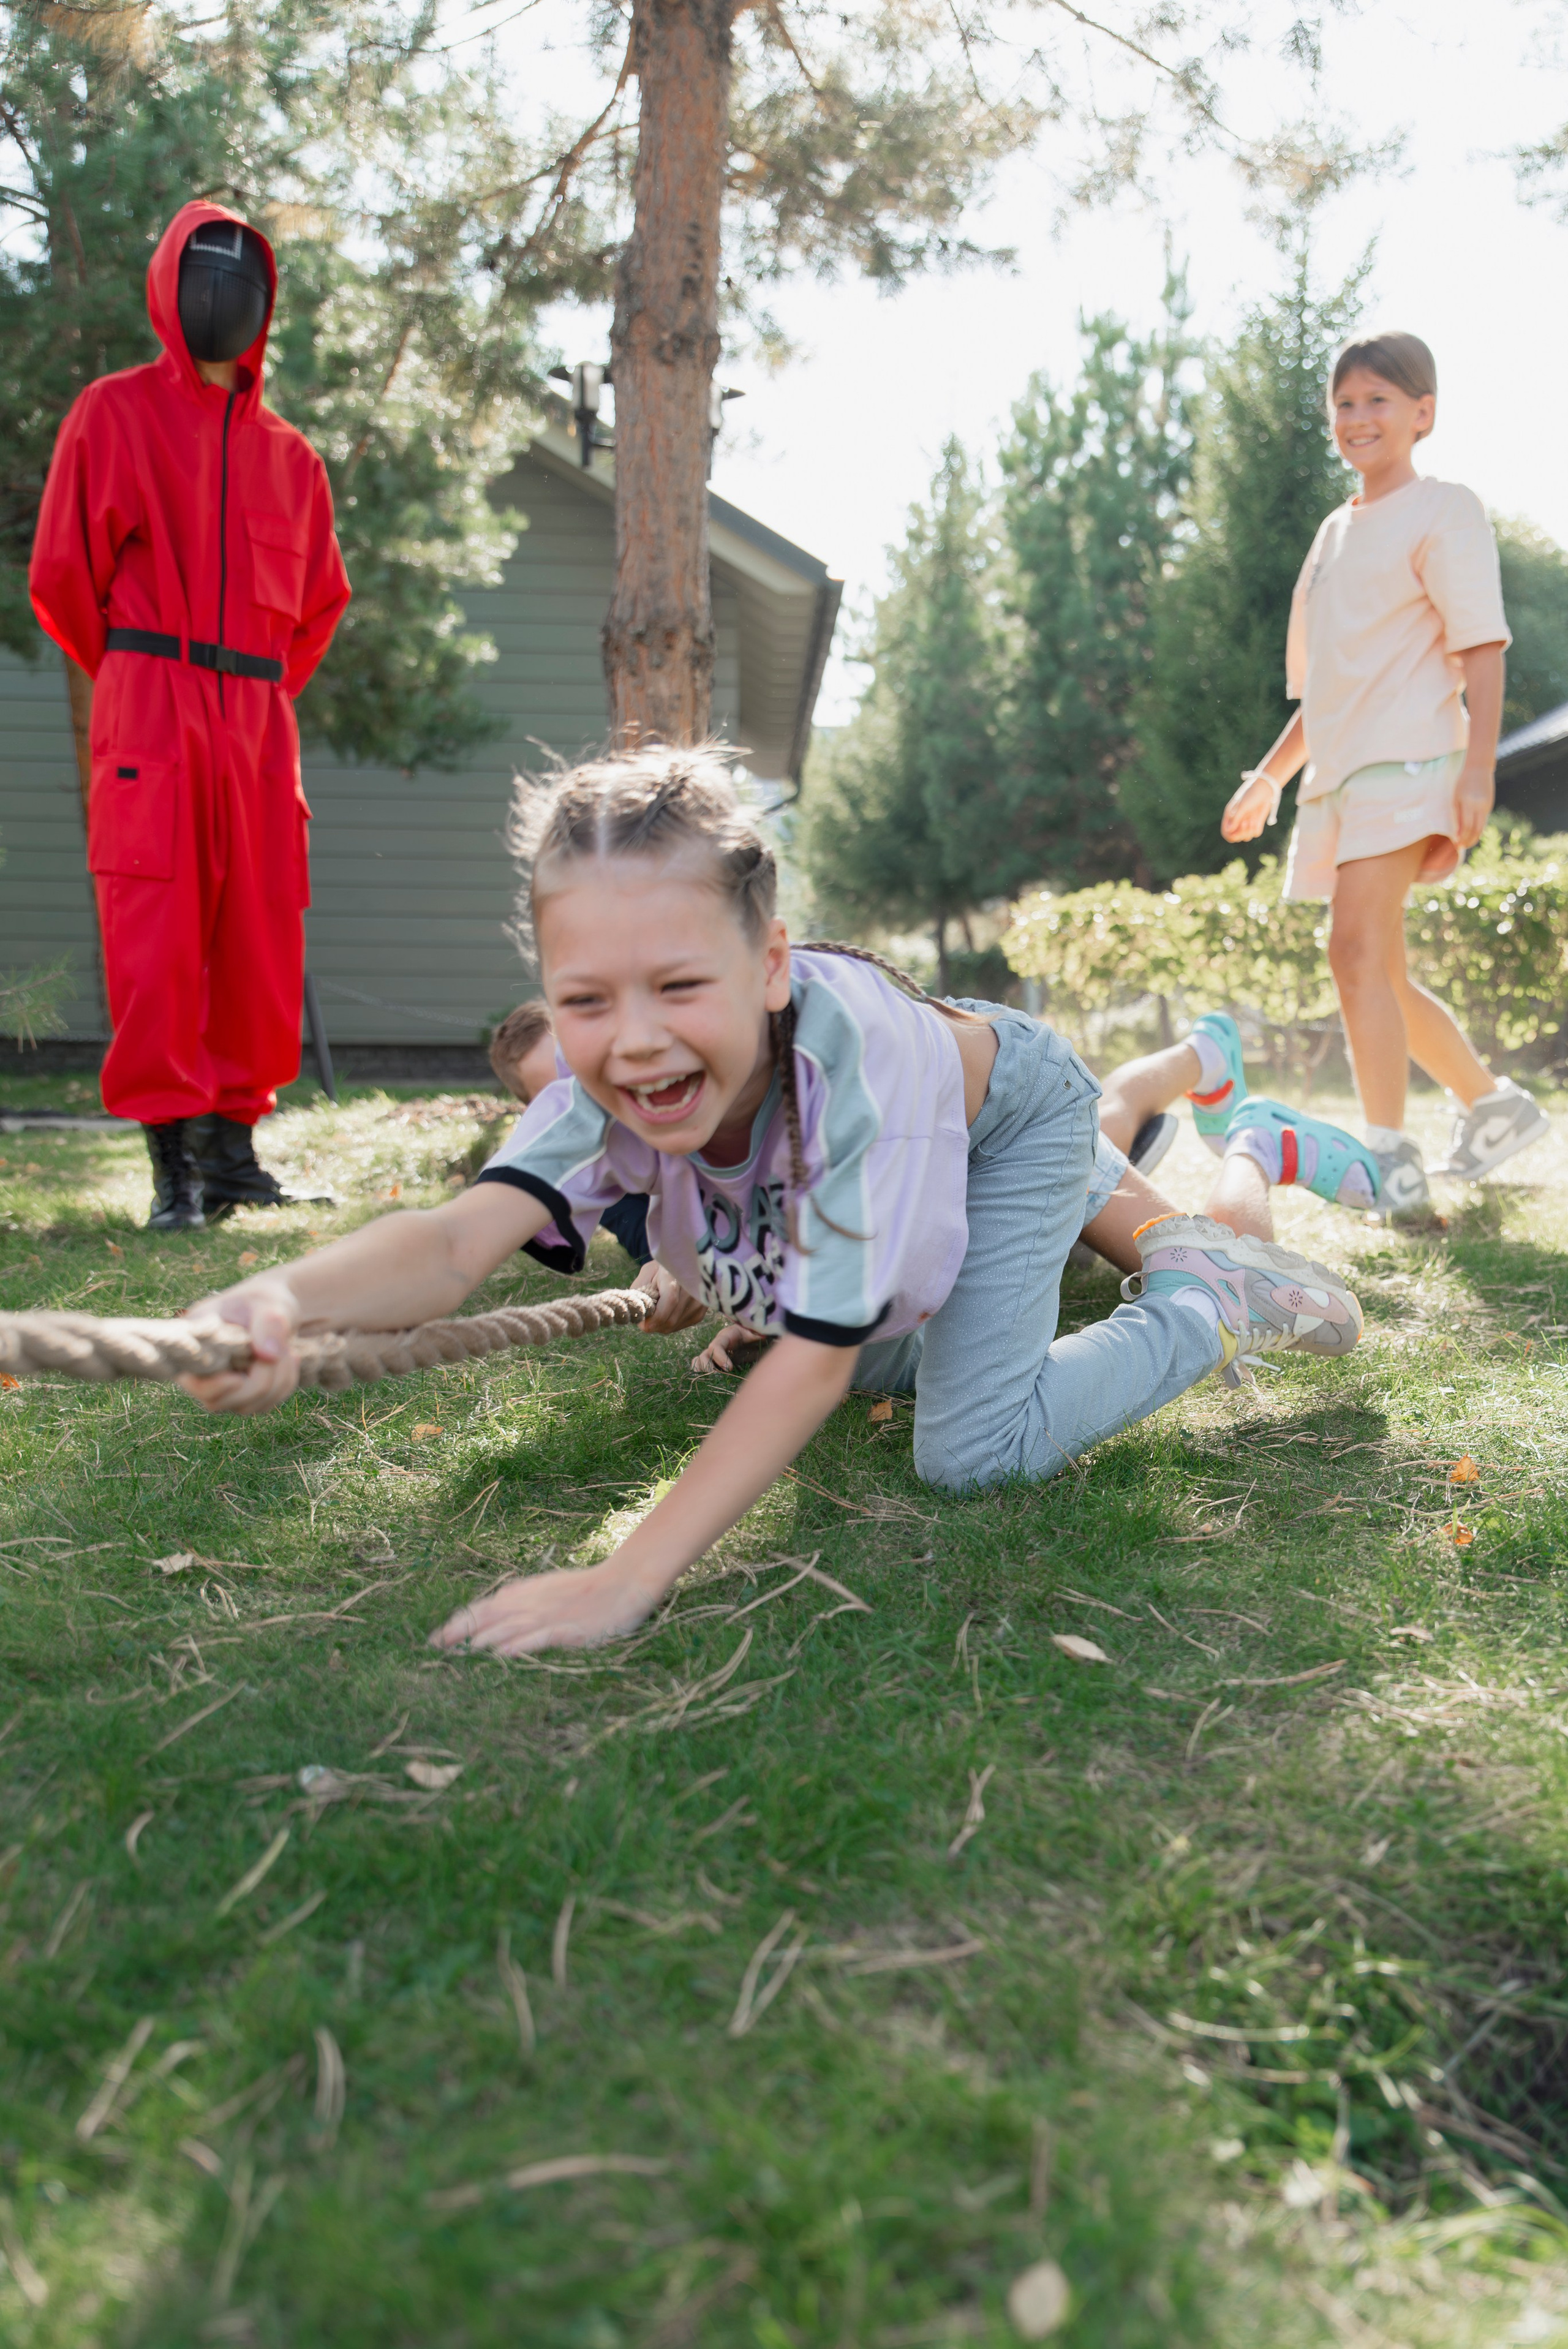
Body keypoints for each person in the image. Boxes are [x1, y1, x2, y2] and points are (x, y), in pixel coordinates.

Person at [177, 748, 1364, 1657]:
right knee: (855, 1358)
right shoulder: (606, 1078)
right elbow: (447, 1247)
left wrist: (624, 1577)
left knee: (967, 1452)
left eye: (679, 984)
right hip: (902, 1169)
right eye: (584, 999)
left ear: (770, 967)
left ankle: (1199, 1300)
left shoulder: (853, 1070)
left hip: (1005, 1123)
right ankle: (1071, 1298)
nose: (632, 1040)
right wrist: (275, 1297)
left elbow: (814, 1365)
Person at [29, 201, 352, 1232]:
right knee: (157, 939)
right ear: (170, 287)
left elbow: (319, 607)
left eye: (244, 278)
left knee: (259, 937)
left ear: (265, 304)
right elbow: (63, 579)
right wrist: (138, 672)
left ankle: (235, 1160)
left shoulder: (293, 459)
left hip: (257, 716)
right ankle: (174, 1175)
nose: (224, 294)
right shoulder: (111, 414)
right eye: (205, 274)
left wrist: (245, 691)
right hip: (152, 704)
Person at [1218, 330, 1547, 1221]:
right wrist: (1271, 776)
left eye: (1379, 401)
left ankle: (1390, 1165)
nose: (1359, 417)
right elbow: (1330, 686)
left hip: (1415, 763)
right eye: (1346, 402)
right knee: (1380, 972)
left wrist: (1478, 770)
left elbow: (1481, 645)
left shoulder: (1446, 508)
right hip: (1341, 774)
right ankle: (1494, 1104)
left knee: (1352, 949)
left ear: (1422, 414)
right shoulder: (1333, 531)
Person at [488, 1000, 652, 1266]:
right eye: (559, 1092)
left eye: (577, 1071)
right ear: (537, 1114)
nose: (581, 1095)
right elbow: (639, 1231)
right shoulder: (587, 1166)